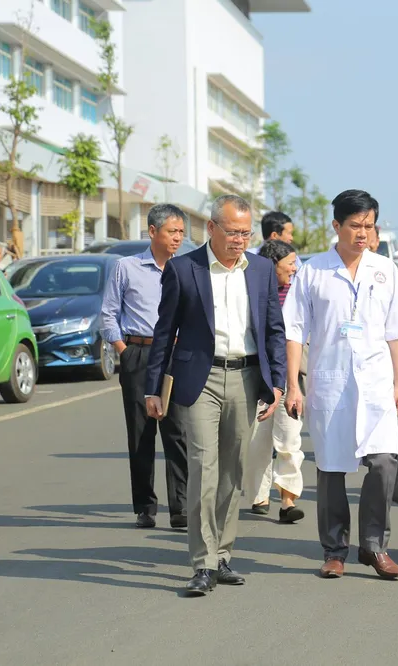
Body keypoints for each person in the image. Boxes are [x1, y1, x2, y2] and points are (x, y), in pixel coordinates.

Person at [145, 194, 287, 596]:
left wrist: (278, 382)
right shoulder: (183, 269)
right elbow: (163, 332)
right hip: (199, 380)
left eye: (246, 233)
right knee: (203, 468)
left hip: (246, 377)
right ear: (211, 228)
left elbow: (273, 329)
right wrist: (153, 388)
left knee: (231, 473)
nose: (239, 240)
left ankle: (223, 554)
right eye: (232, 232)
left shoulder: (261, 270)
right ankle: (203, 563)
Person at [284, 189, 398, 580]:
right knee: (331, 469)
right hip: (331, 382)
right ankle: (334, 550)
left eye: (369, 226)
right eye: (355, 225)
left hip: (377, 385)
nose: (363, 233)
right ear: (336, 225)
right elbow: (294, 331)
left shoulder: (385, 270)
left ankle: (374, 546)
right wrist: (293, 385)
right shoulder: (314, 271)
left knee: (383, 463)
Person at [100, 203, 189, 529]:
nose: (178, 237)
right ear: (152, 231)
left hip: (175, 356)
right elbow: (108, 314)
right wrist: (124, 351)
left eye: (181, 232)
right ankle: (145, 506)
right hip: (139, 352)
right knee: (141, 433)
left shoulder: (187, 269)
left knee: (177, 432)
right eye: (172, 231)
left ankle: (180, 506)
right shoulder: (126, 267)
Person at [244, 239, 306, 522]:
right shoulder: (253, 291)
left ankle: (288, 500)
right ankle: (260, 495)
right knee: (258, 441)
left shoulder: (297, 294)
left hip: (290, 378)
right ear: (273, 265)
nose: (294, 268)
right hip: (259, 375)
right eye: (290, 263)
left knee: (290, 439)